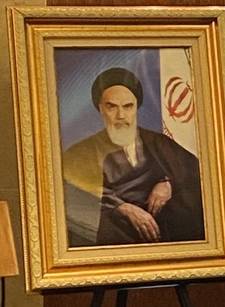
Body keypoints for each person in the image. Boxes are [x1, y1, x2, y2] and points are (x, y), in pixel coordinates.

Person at [61, 66, 205, 248]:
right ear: (100, 109)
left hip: (162, 226)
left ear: (136, 108)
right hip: (117, 229)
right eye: (111, 107)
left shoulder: (158, 142)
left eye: (127, 106)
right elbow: (76, 192)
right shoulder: (79, 152)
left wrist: (169, 183)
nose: (121, 116)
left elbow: (195, 172)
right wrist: (124, 208)